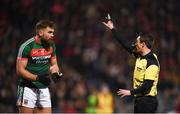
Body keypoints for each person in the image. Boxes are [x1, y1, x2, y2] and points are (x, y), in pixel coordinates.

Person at [102, 14, 160, 113]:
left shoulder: (152, 62)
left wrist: (130, 92)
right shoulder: (139, 54)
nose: (134, 44)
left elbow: (148, 85)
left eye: (137, 42)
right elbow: (125, 44)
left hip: (147, 101)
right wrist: (112, 28)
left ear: (143, 45)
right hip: (140, 100)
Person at [16, 20, 63, 113]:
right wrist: (37, 78)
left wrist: (55, 74)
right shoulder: (27, 46)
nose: (52, 35)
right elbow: (20, 70)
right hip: (27, 88)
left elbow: (54, 64)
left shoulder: (51, 45)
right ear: (40, 32)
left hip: (43, 88)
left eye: (53, 32)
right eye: (50, 32)